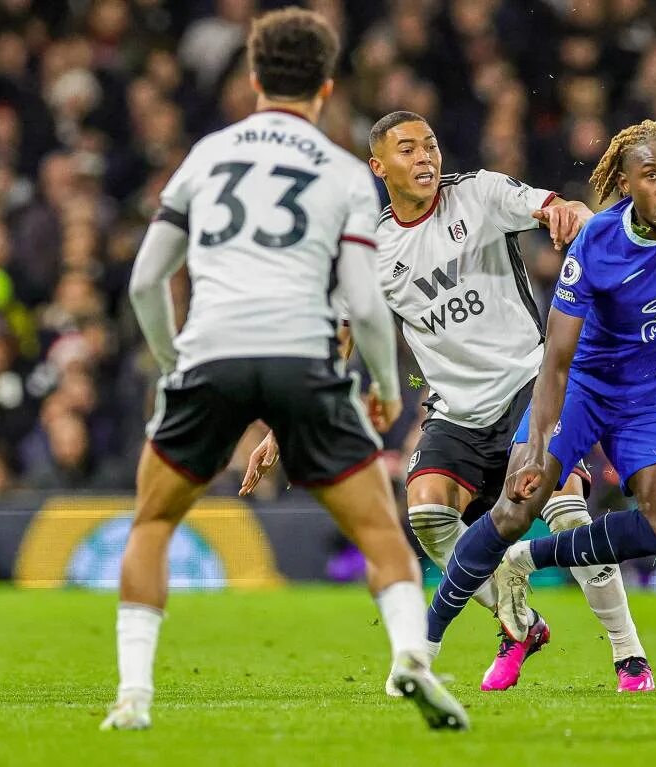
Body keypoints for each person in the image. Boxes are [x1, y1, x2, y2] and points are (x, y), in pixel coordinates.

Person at [103, 9, 467, 732]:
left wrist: (176, 362)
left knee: (152, 522)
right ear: (328, 86)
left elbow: (147, 281)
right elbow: (364, 302)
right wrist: (387, 390)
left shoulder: (207, 154)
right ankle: (408, 658)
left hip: (211, 352)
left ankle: (134, 697)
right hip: (303, 358)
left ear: (253, 78)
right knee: (378, 529)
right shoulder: (340, 170)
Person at [242, 110, 655, 693]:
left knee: (564, 509)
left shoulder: (479, 196)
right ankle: (519, 621)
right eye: (407, 149)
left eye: (431, 145)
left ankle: (628, 655)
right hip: (456, 409)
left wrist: (567, 213)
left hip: (527, 388)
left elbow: (551, 206)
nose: (425, 158)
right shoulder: (372, 252)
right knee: (427, 513)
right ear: (378, 166)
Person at [422, 120, 656, 674]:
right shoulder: (597, 243)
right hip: (583, 389)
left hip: (650, 398)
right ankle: (424, 648)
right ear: (623, 184)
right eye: (652, 175)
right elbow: (557, 362)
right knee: (516, 508)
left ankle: (529, 560)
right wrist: (539, 444)